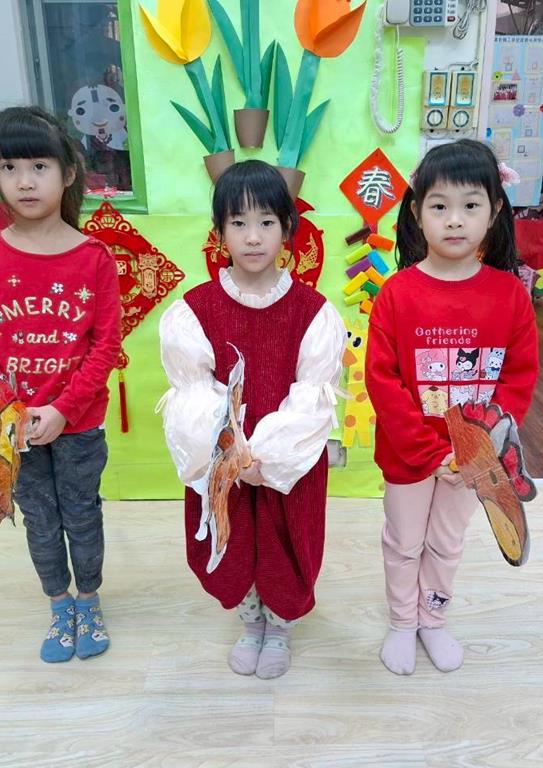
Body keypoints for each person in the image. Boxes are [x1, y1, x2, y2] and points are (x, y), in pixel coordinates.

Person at [158, 160, 345, 679]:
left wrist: (270, 458)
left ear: (287, 228)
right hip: (225, 461)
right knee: (233, 536)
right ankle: (250, 622)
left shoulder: (313, 311)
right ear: (219, 231)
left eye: (266, 221)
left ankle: (280, 627)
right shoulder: (194, 310)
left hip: (289, 463)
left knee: (288, 539)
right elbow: (192, 395)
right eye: (238, 223)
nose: (253, 236)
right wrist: (234, 456)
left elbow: (312, 397)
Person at [365, 140, 539, 675]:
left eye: (470, 205)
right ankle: (402, 623)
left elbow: (518, 379)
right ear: (418, 213)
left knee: (446, 542)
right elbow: (383, 381)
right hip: (409, 455)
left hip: (474, 461)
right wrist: (429, 450)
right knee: (404, 542)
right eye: (440, 206)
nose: (455, 220)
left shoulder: (510, 295)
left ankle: (433, 620)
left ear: (495, 211)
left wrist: (477, 450)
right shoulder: (396, 293)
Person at [0, 106, 121, 663]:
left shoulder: (94, 257)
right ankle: (59, 605)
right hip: (14, 429)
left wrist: (63, 409)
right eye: (9, 168)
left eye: (39, 166)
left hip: (79, 424)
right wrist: (11, 409)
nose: (25, 181)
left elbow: (105, 348)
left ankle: (89, 600)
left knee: (82, 513)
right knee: (39, 519)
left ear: (68, 173)